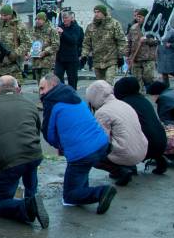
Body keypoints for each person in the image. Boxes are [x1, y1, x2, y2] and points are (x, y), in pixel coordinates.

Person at [0, 76, 48, 228]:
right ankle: (31, 198)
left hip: (7, 159)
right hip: (33, 153)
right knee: (29, 167)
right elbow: (36, 129)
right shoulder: (30, 104)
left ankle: (28, 206)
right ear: (18, 89)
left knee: (0, 203)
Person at [40, 74, 117, 213]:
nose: (41, 92)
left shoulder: (51, 101)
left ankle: (101, 192)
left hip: (82, 153)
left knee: (69, 197)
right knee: (81, 174)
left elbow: (48, 134)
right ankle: (121, 173)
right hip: (102, 144)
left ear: (52, 86)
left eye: (42, 88)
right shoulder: (73, 96)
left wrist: (61, 146)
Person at [85, 80, 148, 186]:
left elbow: (101, 140)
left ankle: (120, 171)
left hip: (126, 154)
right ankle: (130, 167)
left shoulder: (102, 112)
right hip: (142, 150)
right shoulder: (124, 104)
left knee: (91, 154)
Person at [114, 77, 169, 174]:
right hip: (161, 143)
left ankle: (128, 166)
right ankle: (158, 157)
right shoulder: (144, 101)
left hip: (143, 146)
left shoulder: (124, 103)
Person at [81, 5, 126, 85]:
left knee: (108, 83)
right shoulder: (91, 26)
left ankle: (111, 96)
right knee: (101, 85)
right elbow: (86, 43)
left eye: (98, 12)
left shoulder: (114, 24)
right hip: (97, 60)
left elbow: (121, 41)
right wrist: (84, 55)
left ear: (104, 13)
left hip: (111, 59)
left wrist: (120, 56)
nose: (96, 14)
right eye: (95, 12)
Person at [126, 8, 158, 90]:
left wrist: (146, 40)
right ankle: (140, 92)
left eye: (140, 17)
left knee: (148, 77)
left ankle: (151, 87)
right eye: (137, 16)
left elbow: (157, 41)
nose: (137, 18)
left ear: (146, 18)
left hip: (148, 58)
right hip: (136, 57)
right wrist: (128, 55)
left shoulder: (152, 28)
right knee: (137, 78)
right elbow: (129, 42)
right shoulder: (133, 28)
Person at [54, 10, 84, 88]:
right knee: (57, 76)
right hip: (60, 58)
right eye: (63, 18)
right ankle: (62, 91)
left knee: (72, 79)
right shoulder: (60, 26)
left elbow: (73, 40)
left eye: (66, 18)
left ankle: (72, 95)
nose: (64, 20)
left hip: (71, 58)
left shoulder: (76, 28)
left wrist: (63, 33)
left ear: (71, 18)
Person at [30, 11, 59, 82]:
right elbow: (30, 43)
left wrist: (45, 52)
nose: (37, 21)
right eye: (36, 19)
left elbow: (56, 45)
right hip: (36, 62)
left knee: (47, 83)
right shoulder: (33, 30)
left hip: (47, 62)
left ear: (44, 20)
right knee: (40, 84)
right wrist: (29, 52)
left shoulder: (52, 30)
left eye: (39, 19)